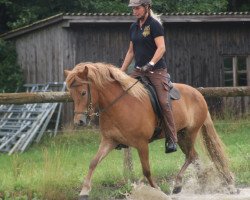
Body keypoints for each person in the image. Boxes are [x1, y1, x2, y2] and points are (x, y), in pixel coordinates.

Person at [121, 0, 177, 153]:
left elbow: (161, 47)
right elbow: (131, 52)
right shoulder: (133, 27)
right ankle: (123, 137)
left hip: (157, 71)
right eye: (133, 9)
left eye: (137, 8)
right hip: (139, 70)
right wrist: (121, 70)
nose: (134, 11)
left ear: (146, 7)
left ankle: (172, 138)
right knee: (122, 94)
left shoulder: (154, 25)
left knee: (163, 102)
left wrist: (151, 63)